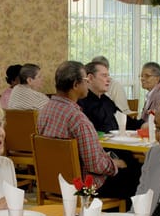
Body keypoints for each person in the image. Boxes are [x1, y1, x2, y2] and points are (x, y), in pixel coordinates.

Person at [37, 61, 133, 201]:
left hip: (54, 182)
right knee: (133, 172)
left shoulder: (45, 111)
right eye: (86, 81)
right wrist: (114, 164)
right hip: (82, 187)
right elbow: (95, 165)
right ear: (76, 85)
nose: (88, 84)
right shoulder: (78, 119)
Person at [78, 61, 144, 132]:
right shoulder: (80, 102)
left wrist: (144, 125)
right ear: (90, 78)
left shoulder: (106, 100)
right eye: (104, 75)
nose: (109, 79)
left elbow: (126, 121)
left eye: (108, 76)